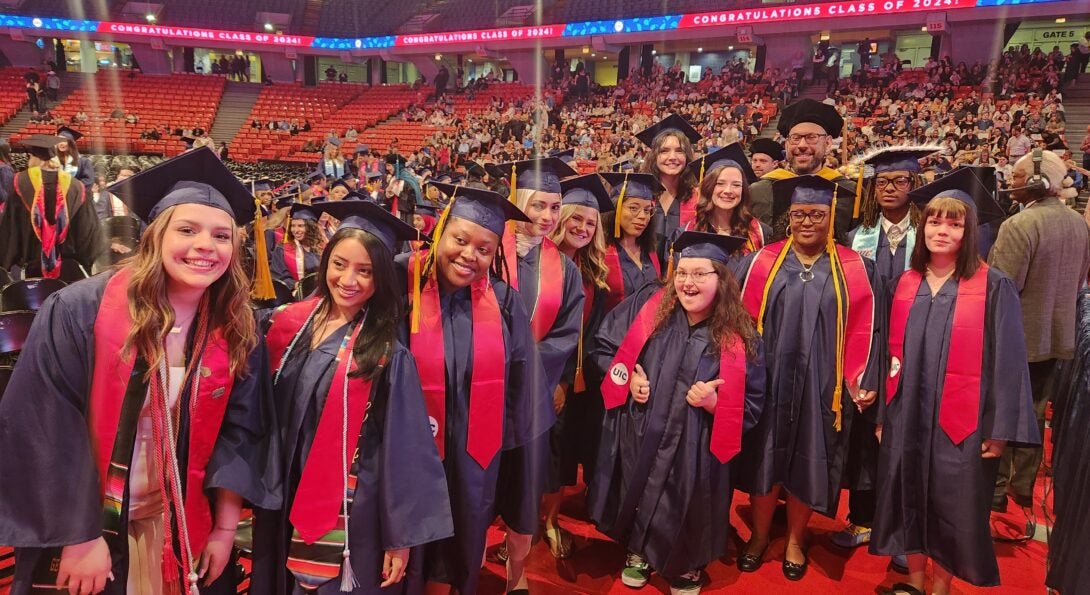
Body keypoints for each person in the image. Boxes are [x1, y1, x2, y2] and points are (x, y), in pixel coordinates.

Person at [0, 147, 282, 595]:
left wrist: (225, 531)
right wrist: (80, 536)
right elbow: (43, 426)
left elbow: (243, 432)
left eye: (221, 236)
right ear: (154, 235)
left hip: (179, 522)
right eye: (187, 230)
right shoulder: (79, 311)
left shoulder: (237, 326)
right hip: (89, 523)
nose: (205, 246)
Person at [251, 200, 453, 594]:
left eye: (366, 271)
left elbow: (406, 448)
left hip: (350, 504)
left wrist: (401, 536)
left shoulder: (387, 354)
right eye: (339, 264)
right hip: (282, 487)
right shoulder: (288, 324)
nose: (349, 280)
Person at [871, 181, 1040, 595]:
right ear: (922, 226)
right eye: (934, 221)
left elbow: (1010, 363)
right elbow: (886, 358)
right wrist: (882, 416)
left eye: (954, 223)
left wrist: (1000, 429)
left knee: (952, 500)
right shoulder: (904, 284)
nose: (941, 231)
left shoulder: (993, 286)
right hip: (906, 411)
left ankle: (941, 587)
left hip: (963, 422)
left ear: (970, 234)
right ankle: (912, 582)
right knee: (905, 489)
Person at [589, 231, 766, 595]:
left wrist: (714, 403)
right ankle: (638, 551)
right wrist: (628, 379)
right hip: (645, 427)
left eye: (701, 274)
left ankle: (686, 565)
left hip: (697, 439)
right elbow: (606, 347)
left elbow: (753, 403)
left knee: (688, 499)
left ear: (721, 278)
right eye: (683, 272)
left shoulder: (740, 334)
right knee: (637, 486)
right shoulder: (652, 308)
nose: (688, 282)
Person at [397, 184, 552, 595]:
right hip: (402, 454)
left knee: (456, 546)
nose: (470, 255)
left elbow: (522, 389)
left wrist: (516, 475)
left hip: (470, 459)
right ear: (440, 231)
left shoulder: (503, 303)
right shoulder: (402, 283)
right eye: (460, 240)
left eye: (484, 249)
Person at [734, 175, 882, 582]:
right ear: (789, 217)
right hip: (769, 381)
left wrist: (861, 378)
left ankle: (797, 539)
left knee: (808, 460)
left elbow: (871, 329)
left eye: (817, 214)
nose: (807, 222)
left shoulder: (855, 267)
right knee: (764, 458)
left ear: (831, 216)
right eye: (799, 214)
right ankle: (760, 535)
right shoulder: (762, 261)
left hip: (824, 387)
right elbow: (738, 324)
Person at [492, 158, 584, 587]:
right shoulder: (487, 251)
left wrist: (519, 368)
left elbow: (565, 336)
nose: (546, 217)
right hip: (479, 394)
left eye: (554, 208)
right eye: (537, 205)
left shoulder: (564, 270)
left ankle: (516, 573)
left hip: (527, 401)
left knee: (521, 494)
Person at [987, 149, 1090, 513]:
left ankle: (996, 487)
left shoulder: (1019, 225)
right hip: (1057, 338)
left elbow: (1001, 288)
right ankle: (1023, 485)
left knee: (1002, 411)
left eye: (1016, 177)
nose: (1011, 183)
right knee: (1034, 410)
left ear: (1036, 181)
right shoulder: (1078, 222)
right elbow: (1079, 282)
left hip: (1016, 338)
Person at [547, 173, 614, 526]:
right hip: (542, 378)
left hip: (576, 380)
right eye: (577, 218)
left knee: (564, 449)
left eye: (591, 223)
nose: (584, 227)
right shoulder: (538, 265)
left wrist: (570, 382)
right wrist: (556, 381)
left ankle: (551, 521)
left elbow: (588, 334)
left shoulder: (594, 276)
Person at [748, 99, 857, 243]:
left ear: (828, 143)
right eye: (796, 138)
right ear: (787, 144)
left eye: (811, 137)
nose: (802, 145)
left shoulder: (849, 191)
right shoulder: (758, 191)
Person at [0, 134, 104, 280]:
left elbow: (9, 228)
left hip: (30, 264)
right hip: (69, 267)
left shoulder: (20, 182)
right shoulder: (77, 187)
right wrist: (84, 260)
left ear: (32, 157)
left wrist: (10, 258)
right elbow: (88, 232)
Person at [635, 114, 703, 264]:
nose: (672, 157)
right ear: (654, 156)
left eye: (679, 151)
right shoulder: (640, 196)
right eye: (664, 151)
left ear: (687, 156)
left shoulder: (699, 198)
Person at [687, 143, 769, 256]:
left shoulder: (762, 233)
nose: (728, 190)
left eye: (736, 185)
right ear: (708, 187)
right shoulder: (689, 232)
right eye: (720, 183)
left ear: (743, 190)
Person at [600, 172, 662, 312]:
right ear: (616, 208)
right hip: (609, 331)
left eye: (647, 210)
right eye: (633, 208)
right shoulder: (599, 251)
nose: (642, 216)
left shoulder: (650, 251)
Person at [269, 203, 323, 287]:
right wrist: (297, 285)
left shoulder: (321, 247)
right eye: (293, 226)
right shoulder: (282, 249)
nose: (296, 230)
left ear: (311, 227)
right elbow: (278, 277)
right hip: (296, 295)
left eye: (301, 226)